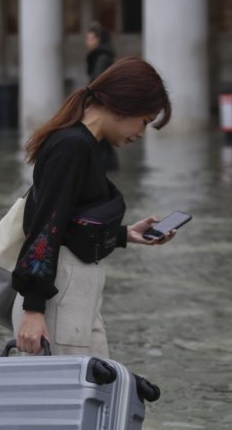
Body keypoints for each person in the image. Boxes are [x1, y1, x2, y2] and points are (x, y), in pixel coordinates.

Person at [11, 56, 176, 357]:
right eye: (144, 121)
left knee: (96, 394)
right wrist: (34, 310)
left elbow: (69, 223)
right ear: (125, 105)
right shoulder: (72, 146)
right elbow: (45, 226)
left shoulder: (81, 145)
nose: (140, 133)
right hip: (58, 299)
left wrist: (125, 235)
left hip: (74, 298)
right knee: (66, 399)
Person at [85, 22, 119, 171]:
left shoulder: (101, 57)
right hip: (102, 104)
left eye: (91, 38)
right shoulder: (101, 56)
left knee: (101, 140)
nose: (88, 42)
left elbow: (97, 81)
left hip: (101, 105)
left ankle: (105, 168)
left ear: (99, 40)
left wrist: (91, 101)